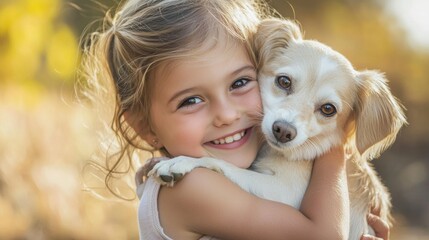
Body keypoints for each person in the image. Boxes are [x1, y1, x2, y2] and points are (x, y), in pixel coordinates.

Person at [80, 0, 390, 239]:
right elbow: (322, 236)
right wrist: (338, 145)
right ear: (145, 127)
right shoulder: (188, 185)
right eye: (190, 100)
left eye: (240, 83)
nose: (227, 115)